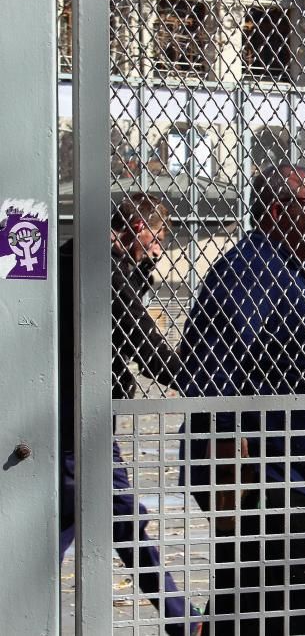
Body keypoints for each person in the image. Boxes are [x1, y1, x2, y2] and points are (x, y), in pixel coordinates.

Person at [178, 163, 305, 635]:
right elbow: (214, 362)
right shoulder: (251, 271)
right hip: (261, 473)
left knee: (265, 593)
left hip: (289, 471)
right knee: (274, 597)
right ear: (277, 211)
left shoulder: (297, 272)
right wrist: (225, 447)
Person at [57, 193, 202, 636]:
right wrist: (200, 383)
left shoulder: (81, 256)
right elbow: (143, 340)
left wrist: (139, 270)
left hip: (78, 409)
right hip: (79, 416)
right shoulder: (100, 268)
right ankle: (182, 620)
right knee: (120, 515)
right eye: (157, 240)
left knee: (76, 513)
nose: (159, 251)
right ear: (136, 228)